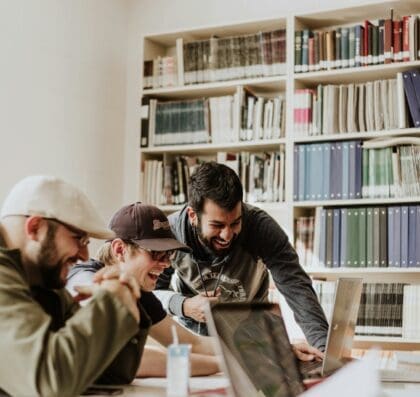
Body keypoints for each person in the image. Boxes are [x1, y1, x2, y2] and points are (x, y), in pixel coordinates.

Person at [154, 161, 329, 351]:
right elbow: (151, 293)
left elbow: (296, 287)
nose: (227, 235)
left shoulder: (261, 228)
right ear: (193, 215)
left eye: (235, 223)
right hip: (194, 343)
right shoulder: (170, 233)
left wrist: (323, 349)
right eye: (217, 225)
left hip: (253, 342)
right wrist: (185, 305)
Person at [0, 175, 142, 397]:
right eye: (78, 239)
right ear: (35, 227)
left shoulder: (42, 280)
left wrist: (123, 297)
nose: (85, 256)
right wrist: (112, 302)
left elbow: (111, 373)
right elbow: (49, 383)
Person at [67, 202, 220, 377]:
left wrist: (246, 350)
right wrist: (221, 364)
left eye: (169, 255)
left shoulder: (138, 291)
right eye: (156, 253)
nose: (166, 264)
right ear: (120, 250)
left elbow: (192, 344)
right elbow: (125, 357)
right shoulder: (83, 276)